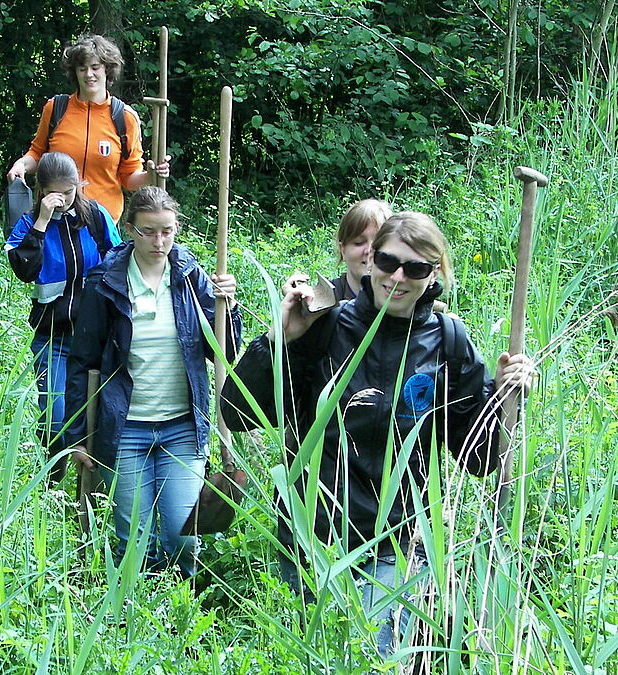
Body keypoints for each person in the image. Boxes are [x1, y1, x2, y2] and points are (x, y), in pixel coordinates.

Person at [221, 212, 537, 656]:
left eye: (417, 268)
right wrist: (281, 339)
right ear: (370, 261)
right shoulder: (327, 325)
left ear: (434, 275)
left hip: (400, 538)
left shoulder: (447, 341)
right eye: (389, 262)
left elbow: (479, 458)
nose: (399, 277)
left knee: (377, 658)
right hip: (313, 533)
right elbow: (236, 412)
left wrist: (503, 399)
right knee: (316, 658)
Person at [62, 186, 241, 578]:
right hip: (123, 428)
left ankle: (180, 613)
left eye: (167, 231)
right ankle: (132, 615)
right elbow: (83, 361)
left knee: (183, 536)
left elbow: (222, 349)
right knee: (133, 538)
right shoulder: (105, 283)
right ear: (130, 229)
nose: (159, 241)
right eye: (148, 231)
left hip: (182, 426)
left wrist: (229, 306)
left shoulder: (192, 277)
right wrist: (76, 436)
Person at [5, 152, 123, 480]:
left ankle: (96, 491)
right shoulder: (28, 225)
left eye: (68, 193)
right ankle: (52, 485)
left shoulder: (97, 218)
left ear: (78, 187)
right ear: (40, 191)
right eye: (53, 193)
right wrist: (42, 222)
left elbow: (118, 263)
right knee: (56, 418)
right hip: (53, 336)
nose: (62, 200)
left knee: (101, 417)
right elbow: (24, 269)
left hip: (96, 337)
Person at [6, 34, 170, 222]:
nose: (89, 74)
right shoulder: (56, 109)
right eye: (82, 68)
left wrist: (151, 175)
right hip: (55, 218)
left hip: (102, 224)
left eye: (95, 67)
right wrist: (21, 165)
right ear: (74, 72)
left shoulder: (125, 117)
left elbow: (129, 178)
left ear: (107, 70)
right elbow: (37, 153)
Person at [332, 199, 392, 301]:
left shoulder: (403, 299)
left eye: (378, 243)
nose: (369, 250)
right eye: (359, 242)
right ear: (343, 250)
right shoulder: (325, 300)